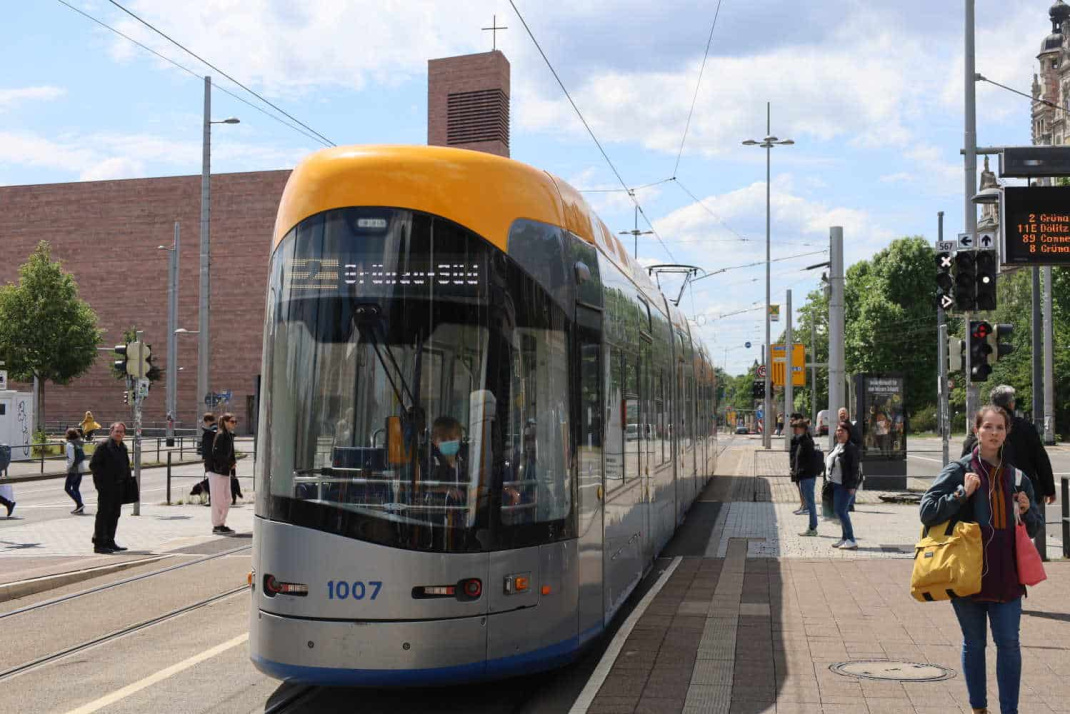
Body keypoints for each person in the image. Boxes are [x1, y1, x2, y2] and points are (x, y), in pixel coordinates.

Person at [921, 406, 1044, 714]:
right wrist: (962, 493)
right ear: (976, 430)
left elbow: (1035, 528)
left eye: (999, 428)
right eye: (987, 427)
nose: (993, 433)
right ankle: (979, 709)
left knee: (1009, 645)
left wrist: (1028, 511)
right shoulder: (959, 469)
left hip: (1007, 577)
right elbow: (927, 510)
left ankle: (1009, 711)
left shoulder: (1017, 477)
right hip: (966, 574)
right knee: (974, 645)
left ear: (1006, 432)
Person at [960, 385, 1056, 506]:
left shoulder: (980, 429)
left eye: (1001, 428)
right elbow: (1041, 460)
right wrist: (1049, 489)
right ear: (1011, 404)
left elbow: (965, 461)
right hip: (1025, 494)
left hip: (989, 495)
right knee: (1032, 521)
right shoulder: (1025, 427)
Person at [89, 423, 130, 553]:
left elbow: (126, 465)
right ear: (111, 432)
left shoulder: (122, 447)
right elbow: (94, 465)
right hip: (106, 487)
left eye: (121, 432)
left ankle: (110, 541)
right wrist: (102, 483)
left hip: (119, 486)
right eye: (117, 431)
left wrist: (127, 481)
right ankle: (99, 543)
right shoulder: (103, 446)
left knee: (114, 514)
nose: (119, 434)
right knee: (103, 514)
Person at [826, 421, 860, 549]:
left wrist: (852, 486)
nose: (839, 433)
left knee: (841, 512)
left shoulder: (851, 448)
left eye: (842, 431)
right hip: (835, 483)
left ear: (848, 433)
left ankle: (851, 539)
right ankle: (844, 538)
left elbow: (854, 469)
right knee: (841, 511)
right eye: (838, 430)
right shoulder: (838, 445)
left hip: (845, 485)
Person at [207, 413, 237, 534]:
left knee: (227, 498)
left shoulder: (229, 435)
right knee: (217, 499)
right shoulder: (220, 435)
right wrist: (230, 463)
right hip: (217, 471)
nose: (234, 424)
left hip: (225, 471)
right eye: (232, 421)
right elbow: (217, 454)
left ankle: (221, 523)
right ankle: (217, 525)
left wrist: (232, 467)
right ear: (225, 422)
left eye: (235, 422)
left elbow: (232, 453)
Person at [792, 417, 820, 536]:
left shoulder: (806, 442)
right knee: (809, 503)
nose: (794, 431)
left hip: (807, 476)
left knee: (810, 503)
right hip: (804, 476)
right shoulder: (802, 440)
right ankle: (812, 527)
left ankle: (813, 528)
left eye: (796, 428)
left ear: (802, 429)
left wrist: (799, 473)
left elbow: (808, 462)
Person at [64, 428, 87, 514]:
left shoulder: (70, 444)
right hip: (81, 468)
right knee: (76, 488)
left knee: (67, 488)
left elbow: (71, 458)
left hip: (74, 469)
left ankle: (80, 504)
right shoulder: (78, 443)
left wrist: (68, 467)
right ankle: (80, 508)